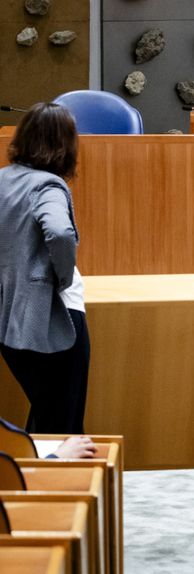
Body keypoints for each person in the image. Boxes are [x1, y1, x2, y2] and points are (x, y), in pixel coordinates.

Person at [0, 102, 90, 435]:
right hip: (54, 318)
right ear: (65, 145)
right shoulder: (49, 186)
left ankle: (33, 481)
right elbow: (60, 232)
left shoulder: (2, 180)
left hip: (8, 324)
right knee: (64, 423)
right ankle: (63, 484)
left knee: (47, 412)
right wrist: (62, 278)